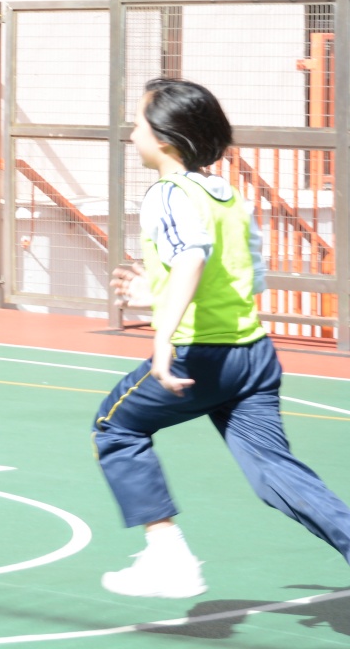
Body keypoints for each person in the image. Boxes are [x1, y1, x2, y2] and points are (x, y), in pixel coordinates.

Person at [96, 77, 350, 598]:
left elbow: (192, 258)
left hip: (201, 356)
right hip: (253, 355)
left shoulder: (167, 193)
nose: (131, 132)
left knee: (115, 427)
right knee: (275, 475)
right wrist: (157, 292)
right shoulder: (227, 195)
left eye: (138, 122)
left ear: (165, 137)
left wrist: (163, 339)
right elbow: (243, 277)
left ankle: (167, 557)